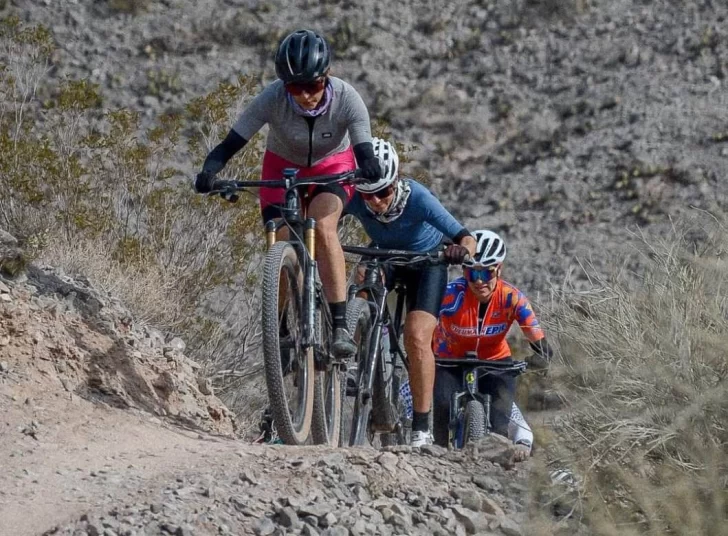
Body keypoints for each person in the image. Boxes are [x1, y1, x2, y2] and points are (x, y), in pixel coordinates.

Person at [193, 29, 382, 359]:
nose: (306, 95)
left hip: (332, 167)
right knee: (280, 236)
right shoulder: (272, 98)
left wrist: (369, 164)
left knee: (323, 228)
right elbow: (230, 144)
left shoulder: (347, 98)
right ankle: (278, 328)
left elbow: (363, 145)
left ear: (327, 77)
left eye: (313, 85)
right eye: (295, 87)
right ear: (284, 85)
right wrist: (210, 171)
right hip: (282, 168)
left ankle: (339, 325)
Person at [344, 138, 476, 447]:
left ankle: (421, 426)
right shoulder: (354, 197)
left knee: (416, 336)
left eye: (383, 192)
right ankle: (351, 356)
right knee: (362, 277)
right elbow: (325, 222)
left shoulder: (418, 197)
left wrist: (461, 252)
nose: (376, 202)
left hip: (427, 263)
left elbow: (466, 237)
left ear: (395, 182)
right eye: (368, 196)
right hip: (385, 257)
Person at [431, 230, 553, 451]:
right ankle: (437, 452)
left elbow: (536, 337)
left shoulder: (512, 298)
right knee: (441, 403)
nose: (478, 282)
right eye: (471, 274)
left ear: (499, 269)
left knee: (500, 423)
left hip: (495, 361)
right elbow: (423, 322)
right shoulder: (449, 294)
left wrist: (541, 357)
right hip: (449, 360)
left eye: (486, 274)